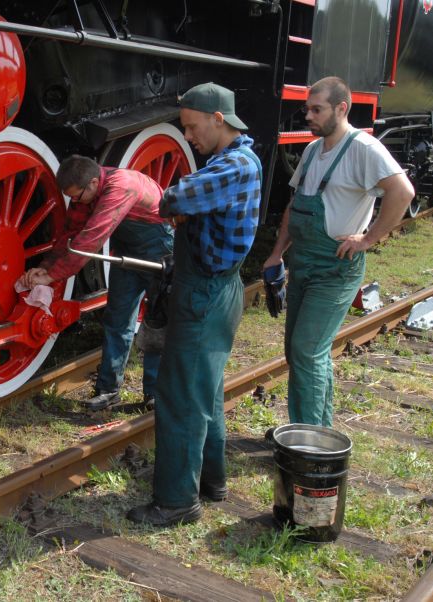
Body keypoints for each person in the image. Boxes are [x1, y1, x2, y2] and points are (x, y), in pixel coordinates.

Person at [126, 82, 262, 527]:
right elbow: (190, 197)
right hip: (213, 286)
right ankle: (211, 480)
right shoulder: (232, 162)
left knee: (180, 395)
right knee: (205, 390)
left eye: (191, 126)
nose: (187, 136)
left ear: (218, 119)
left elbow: (175, 198)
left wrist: (179, 203)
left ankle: (176, 501)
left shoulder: (235, 165)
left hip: (205, 290)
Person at [263, 76, 413, 427]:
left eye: (316, 110)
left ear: (341, 108)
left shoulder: (363, 148)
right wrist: (276, 254)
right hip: (303, 265)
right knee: (300, 351)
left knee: (307, 350)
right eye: (307, 110)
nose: (308, 117)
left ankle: (309, 441)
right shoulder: (314, 151)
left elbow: (402, 192)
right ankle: (318, 429)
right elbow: (294, 206)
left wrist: (368, 239)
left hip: (335, 269)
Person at [18, 155, 173, 410]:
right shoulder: (85, 193)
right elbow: (70, 235)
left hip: (159, 249)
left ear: (92, 183)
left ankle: (155, 393)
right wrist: (44, 267)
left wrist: (53, 275)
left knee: (156, 321)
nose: (74, 203)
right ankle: (108, 390)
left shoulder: (120, 186)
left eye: (77, 197)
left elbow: (90, 239)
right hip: (128, 253)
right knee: (117, 318)